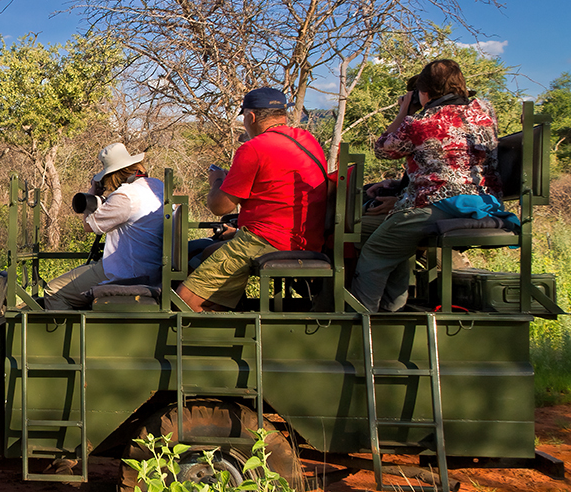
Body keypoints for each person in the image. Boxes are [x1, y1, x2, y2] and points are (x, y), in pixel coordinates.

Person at [352, 59, 503, 312]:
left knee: (375, 251)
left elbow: (383, 149)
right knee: (391, 238)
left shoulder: (420, 122)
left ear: (424, 92)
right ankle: (392, 311)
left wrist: (404, 112)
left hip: (437, 206)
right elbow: (451, 160)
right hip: (484, 202)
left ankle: (363, 322)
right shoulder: (486, 111)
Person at [177, 86, 330, 312]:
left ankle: (218, 334)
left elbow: (220, 206)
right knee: (210, 252)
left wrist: (217, 181)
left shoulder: (255, 147)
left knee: (183, 303)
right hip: (306, 238)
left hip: (268, 241)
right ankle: (222, 310)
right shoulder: (308, 140)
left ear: (251, 116)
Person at [44, 143, 164, 310]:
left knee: (53, 290)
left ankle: (73, 336)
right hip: (152, 268)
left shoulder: (126, 195)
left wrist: (92, 193)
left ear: (112, 175)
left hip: (126, 271)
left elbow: (89, 226)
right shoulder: (158, 186)